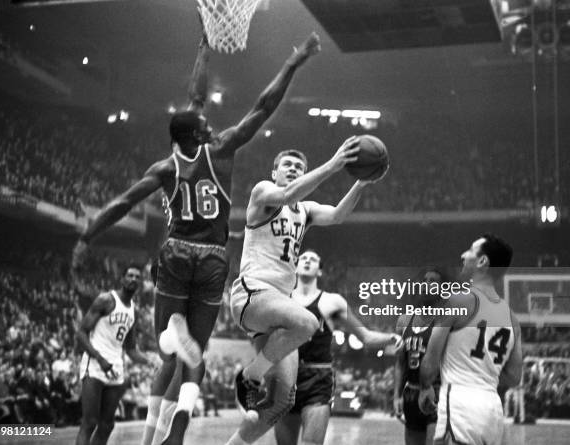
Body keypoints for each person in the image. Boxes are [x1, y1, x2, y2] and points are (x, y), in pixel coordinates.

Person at [72, 29, 322, 445]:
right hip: (212, 256)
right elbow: (262, 107)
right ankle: (178, 426)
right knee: (196, 358)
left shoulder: (164, 167)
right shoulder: (220, 149)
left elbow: (123, 203)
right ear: (199, 136)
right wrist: (291, 64)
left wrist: (88, 234)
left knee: (169, 352)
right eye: (205, 126)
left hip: (175, 252)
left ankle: (167, 375)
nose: (209, 125)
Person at [226, 142, 386, 445]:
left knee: (280, 402)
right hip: (252, 294)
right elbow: (287, 194)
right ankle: (249, 376)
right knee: (308, 323)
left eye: (299, 167)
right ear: (274, 172)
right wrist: (334, 163)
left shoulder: (306, 210)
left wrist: (360, 182)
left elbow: (337, 216)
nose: (294, 170)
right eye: (287, 165)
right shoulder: (263, 192)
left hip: (277, 308)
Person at [274, 250, 402, 445]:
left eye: (313, 259)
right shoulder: (280, 298)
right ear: (295, 267)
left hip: (317, 379)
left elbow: (365, 336)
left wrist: (390, 338)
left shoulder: (332, 302)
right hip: (286, 377)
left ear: (320, 272)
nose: (307, 261)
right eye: (303, 258)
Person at [419, 234, 523, 445]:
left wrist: (425, 387)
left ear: (483, 261)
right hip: (492, 410)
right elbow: (514, 377)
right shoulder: (512, 318)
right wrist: (481, 374)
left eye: (470, 250)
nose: (463, 255)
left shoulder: (458, 301)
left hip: (460, 406)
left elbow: (429, 364)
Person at [74, 264, 149, 445]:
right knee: (89, 422)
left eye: (137, 277)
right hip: (94, 364)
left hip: (115, 367)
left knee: (107, 425)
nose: (133, 279)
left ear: (140, 282)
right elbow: (81, 333)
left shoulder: (133, 310)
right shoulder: (106, 300)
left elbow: (131, 349)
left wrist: (151, 361)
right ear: (122, 279)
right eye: (130, 275)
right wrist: (100, 358)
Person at [392, 267, 447, 445]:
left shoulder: (446, 321)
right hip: (411, 393)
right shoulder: (404, 320)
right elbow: (400, 363)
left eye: (433, 281)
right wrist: (396, 396)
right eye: (424, 281)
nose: (427, 284)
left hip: (436, 392)